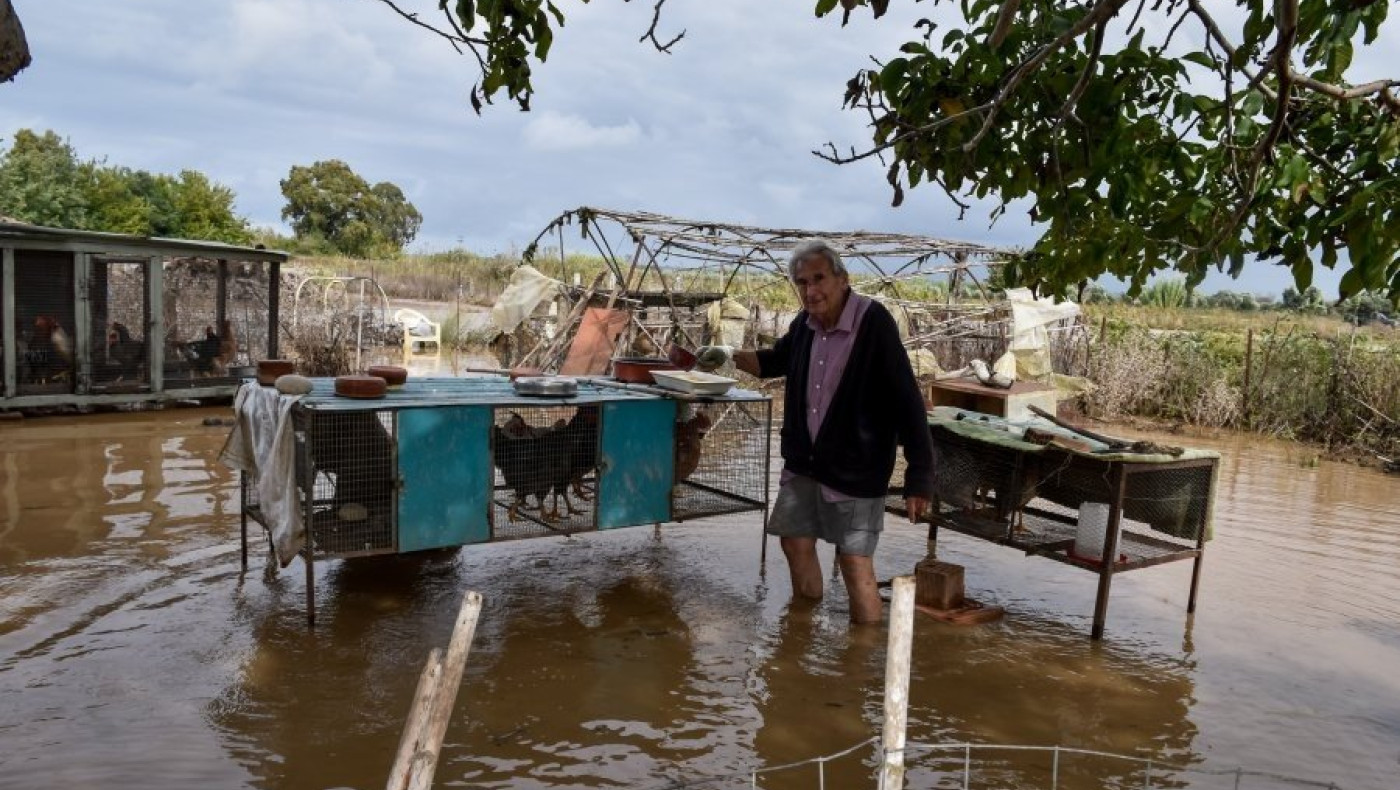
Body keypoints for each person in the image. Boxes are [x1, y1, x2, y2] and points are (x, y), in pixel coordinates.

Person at [698, 240, 934, 624]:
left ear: (843, 279)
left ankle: (860, 659)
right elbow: (775, 361)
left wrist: (920, 476)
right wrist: (724, 355)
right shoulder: (804, 325)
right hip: (805, 463)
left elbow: (907, 398)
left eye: (819, 279)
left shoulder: (873, 322)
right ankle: (803, 632)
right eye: (802, 282)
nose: (811, 290)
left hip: (857, 466)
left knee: (855, 563)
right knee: (794, 543)